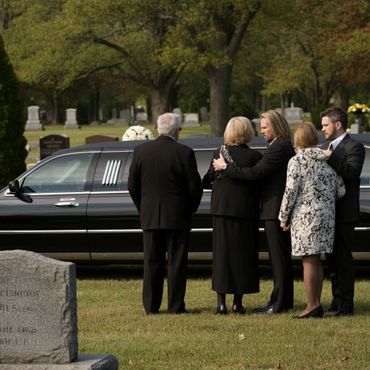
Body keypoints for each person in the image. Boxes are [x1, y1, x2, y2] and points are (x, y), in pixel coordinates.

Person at [213, 110, 295, 314]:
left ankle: (279, 303)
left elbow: (256, 173)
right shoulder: (277, 146)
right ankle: (278, 300)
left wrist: (225, 167)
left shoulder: (279, 148)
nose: (263, 131)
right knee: (278, 259)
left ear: (276, 126)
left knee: (279, 259)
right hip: (271, 208)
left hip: (275, 208)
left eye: (266, 127)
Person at [128, 113, 203, 314]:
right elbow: (195, 187)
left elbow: (132, 186)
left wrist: (142, 208)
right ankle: (175, 306)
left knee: (152, 261)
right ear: (177, 131)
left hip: (150, 216)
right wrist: (189, 209)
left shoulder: (141, 151)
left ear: (157, 128)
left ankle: (151, 306)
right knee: (177, 263)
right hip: (178, 216)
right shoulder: (184, 152)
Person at [279, 122, 345, 318]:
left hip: (305, 217)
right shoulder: (328, 159)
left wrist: (283, 217)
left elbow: (290, 192)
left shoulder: (297, 161)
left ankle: (311, 306)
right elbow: (341, 190)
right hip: (326, 217)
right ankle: (316, 303)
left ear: (298, 140)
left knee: (308, 261)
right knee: (316, 260)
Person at [203, 117, 262, 315]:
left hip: (222, 210)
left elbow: (207, 180)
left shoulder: (219, 153)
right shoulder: (255, 156)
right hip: (246, 211)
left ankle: (221, 303)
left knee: (222, 255)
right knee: (242, 256)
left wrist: (218, 169)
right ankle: (238, 302)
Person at [321, 107, 365, 316]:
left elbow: (351, 173)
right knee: (331, 260)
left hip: (345, 213)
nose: (323, 129)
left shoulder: (354, 147)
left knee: (344, 260)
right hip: (328, 213)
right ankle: (336, 301)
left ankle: (346, 306)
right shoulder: (326, 146)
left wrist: (330, 157)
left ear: (338, 125)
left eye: (325, 125)